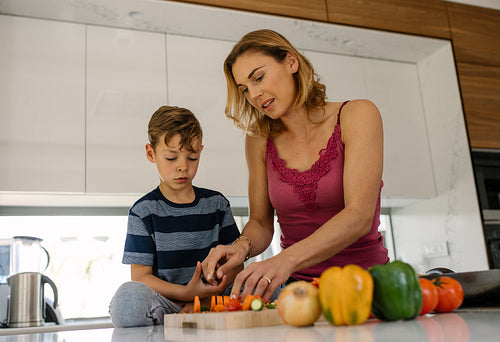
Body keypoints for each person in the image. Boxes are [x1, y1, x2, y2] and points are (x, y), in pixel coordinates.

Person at [202, 29, 389, 301]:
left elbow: (359, 216)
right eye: (244, 89)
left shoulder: (357, 115)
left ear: (291, 63)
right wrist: (241, 247)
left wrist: (282, 261)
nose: (254, 94)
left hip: (367, 288)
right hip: (298, 293)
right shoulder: (258, 139)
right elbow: (261, 222)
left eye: (259, 77)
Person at [109, 106, 242, 328]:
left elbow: (236, 266)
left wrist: (204, 302)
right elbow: (141, 278)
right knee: (127, 299)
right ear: (151, 154)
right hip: (169, 307)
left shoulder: (217, 204)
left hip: (214, 302)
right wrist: (187, 294)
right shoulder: (142, 212)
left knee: (269, 285)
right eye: (171, 158)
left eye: (192, 157)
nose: (183, 167)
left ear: (200, 151)